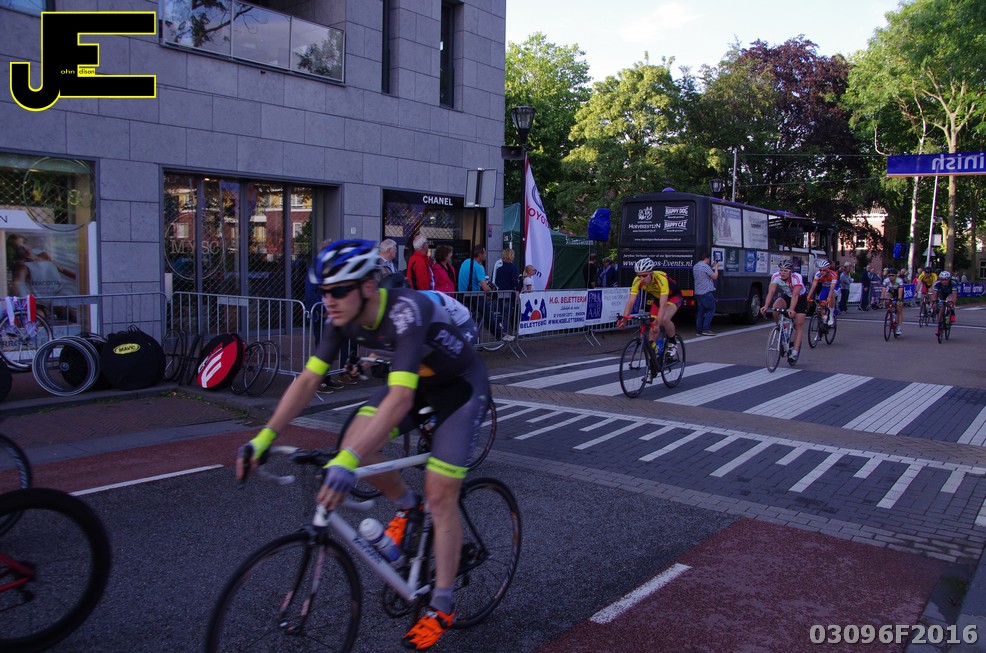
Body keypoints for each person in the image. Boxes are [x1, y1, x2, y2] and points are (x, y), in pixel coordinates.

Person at [237, 240, 489, 651]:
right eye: (323, 291)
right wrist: (264, 437)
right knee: (355, 438)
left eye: (338, 290)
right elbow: (308, 379)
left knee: (440, 492)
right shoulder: (341, 318)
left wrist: (348, 460)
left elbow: (399, 400)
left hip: (460, 388)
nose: (329, 300)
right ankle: (408, 507)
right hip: (418, 382)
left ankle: (442, 605)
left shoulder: (407, 310)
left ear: (368, 286)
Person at [619, 258, 682, 358]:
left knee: (664, 319)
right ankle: (653, 358)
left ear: (651, 273)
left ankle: (672, 342)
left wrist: (658, 323)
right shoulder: (637, 281)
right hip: (658, 299)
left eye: (644, 275)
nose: (641, 279)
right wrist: (625, 319)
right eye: (639, 276)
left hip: (673, 296)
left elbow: (663, 304)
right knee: (652, 328)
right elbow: (631, 301)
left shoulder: (661, 279)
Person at [760, 259, 807, 363]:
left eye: (785, 271)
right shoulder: (776, 276)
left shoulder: (797, 277)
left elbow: (795, 295)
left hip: (800, 298)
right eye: (781, 270)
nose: (782, 273)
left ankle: (795, 351)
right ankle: (781, 328)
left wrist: (791, 309)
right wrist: (765, 306)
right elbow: (771, 292)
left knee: (799, 324)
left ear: (791, 272)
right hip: (788, 296)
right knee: (776, 307)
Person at [494, 248, 521, 335]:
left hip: (499, 293)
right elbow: (514, 282)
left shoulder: (499, 267)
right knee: (506, 315)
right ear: (511, 256)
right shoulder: (513, 268)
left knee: (499, 314)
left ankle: (498, 331)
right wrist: (518, 289)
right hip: (509, 294)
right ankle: (504, 333)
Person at [692, 249, 718, 336]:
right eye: (709, 259)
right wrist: (716, 267)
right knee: (711, 309)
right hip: (706, 292)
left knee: (701, 311)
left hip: (698, 293)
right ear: (706, 258)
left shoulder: (696, 266)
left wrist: (712, 266)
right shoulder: (705, 266)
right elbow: (714, 277)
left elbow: (704, 272)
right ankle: (706, 329)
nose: (709, 260)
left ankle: (699, 330)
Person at [806, 259, 839, 327]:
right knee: (820, 302)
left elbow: (832, 288)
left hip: (834, 287)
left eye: (824, 270)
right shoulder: (818, 274)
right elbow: (813, 286)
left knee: (831, 296)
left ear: (828, 269)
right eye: (820, 270)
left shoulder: (833, 274)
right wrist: (808, 297)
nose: (822, 272)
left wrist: (829, 298)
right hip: (825, 287)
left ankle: (831, 316)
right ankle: (823, 316)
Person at [930, 270, 958, 336]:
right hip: (942, 294)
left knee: (949, 302)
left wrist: (953, 303)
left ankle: (952, 313)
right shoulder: (937, 284)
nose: (944, 281)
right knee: (941, 309)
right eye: (942, 280)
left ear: (949, 279)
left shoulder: (953, 284)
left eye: (946, 280)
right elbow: (934, 294)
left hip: (950, 293)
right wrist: (934, 302)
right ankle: (939, 327)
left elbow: (954, 296)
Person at [882, 267, 905, 336]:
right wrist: (882, 298)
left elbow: (900, 292)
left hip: (898, 293)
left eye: (893, 275)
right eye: (889, 275)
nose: (891, 277)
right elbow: (883, 290)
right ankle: (890, 312)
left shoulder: (899, 280)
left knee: (899, 308)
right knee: (887, 299)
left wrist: (899, 300)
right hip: (891, 292)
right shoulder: (886, 280)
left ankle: (899, 328)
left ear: (896, 276)